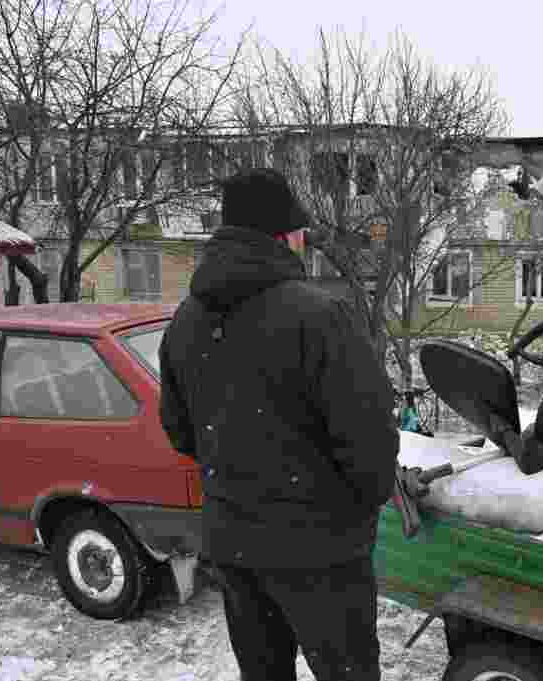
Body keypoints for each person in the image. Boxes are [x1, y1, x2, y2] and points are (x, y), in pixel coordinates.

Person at [158, 168, 398, 681]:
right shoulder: (320, 316)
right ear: (283, 235)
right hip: (322, 553)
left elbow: (179, 431)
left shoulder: (184, 320)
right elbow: (371, 442)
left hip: (234, 546)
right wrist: (360, 507)